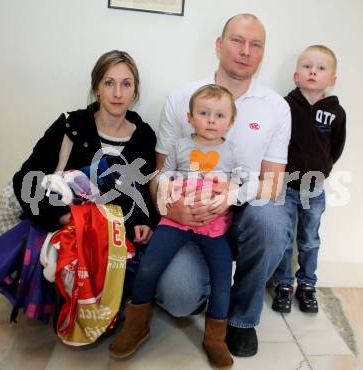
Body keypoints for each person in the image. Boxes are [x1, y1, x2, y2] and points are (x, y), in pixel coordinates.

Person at [152, 14, 291, 357]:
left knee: (271, 221)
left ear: (262, 54)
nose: (245, 51)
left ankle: (242, 319)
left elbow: (273, 184)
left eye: (255, 44)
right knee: (179, 299)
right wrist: (173, 207)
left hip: (246, 209)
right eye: (237, 40)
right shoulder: (182, 98)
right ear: (219, 44)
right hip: (193, 214)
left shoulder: (275, 107)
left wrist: (233, 194)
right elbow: (158, 175)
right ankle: (210, 289)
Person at [109, 84, 258, 367]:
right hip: (175, 223)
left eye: (219, 115)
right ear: (190, 118)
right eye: (204, 113)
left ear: (231, 121)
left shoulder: (234, 152)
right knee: (149, 265)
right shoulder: (179, 146)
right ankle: (135, 327)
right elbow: (162, 175)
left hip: (214, 227)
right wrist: (170, 187)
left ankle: (215, 338)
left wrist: (231, 194)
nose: (211, 120)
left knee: (222, 278)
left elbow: (251, 183)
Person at [12, 50, 159, 295]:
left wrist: (145, 223)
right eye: (109, 83)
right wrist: (61, 217)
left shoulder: (144, 137)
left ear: (135, 92)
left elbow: (143, 192)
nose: (118, 93)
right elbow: (26, 179)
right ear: (97, 88)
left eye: (126, 84)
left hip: (116, 246)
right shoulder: (70, 126)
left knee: (140, 288)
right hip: (66, 239)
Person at [271, 45, 346, 314]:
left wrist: (322, 169)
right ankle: (282, 283)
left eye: (321, 68)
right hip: (285, 186)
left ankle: (307, 284)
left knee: (310, 239)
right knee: (283, 236)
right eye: (307, 66)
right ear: (296, 75)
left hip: (314, 189)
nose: (313, 71)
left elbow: (336, 148)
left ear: (332, 80)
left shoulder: (336, 113)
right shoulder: (285, 106)